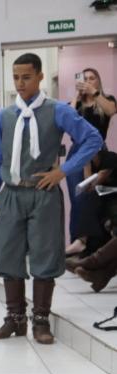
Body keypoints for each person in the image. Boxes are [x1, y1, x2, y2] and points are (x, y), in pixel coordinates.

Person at [0, 53, 102, 344]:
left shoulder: (57, 110)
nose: (20, 83)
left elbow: (93, 139)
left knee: (45, 255)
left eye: (26, 77)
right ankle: (15, 319)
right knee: (9, 256)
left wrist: (63, 171)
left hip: (44, 194)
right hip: (11, 193)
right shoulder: (4, 116)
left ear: (39, 76)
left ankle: (41, 320)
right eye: (15, 77)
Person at [65, 68, 116, 255]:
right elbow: (67, 122)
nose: (87, 81)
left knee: (95, 198)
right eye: (84, 78)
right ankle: (77, 242)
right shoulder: (76, 104)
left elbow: (111, 110)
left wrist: (94, 93)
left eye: (92, 78)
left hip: (98, 152)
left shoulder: (106, 100)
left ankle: (92, 244)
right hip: (77, 151)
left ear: (98, 81)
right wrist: (76, 97)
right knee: (77, 197)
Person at [65, 150, 117, 291]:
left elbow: (93, 183)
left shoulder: (109, 158)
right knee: (90, 202)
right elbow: (87, 185)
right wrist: (86, 165)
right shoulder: (91, 163)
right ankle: (100, 274)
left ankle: (92, 263)